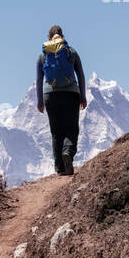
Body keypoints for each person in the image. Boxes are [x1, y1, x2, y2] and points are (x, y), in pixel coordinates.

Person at [35, 25, 88, 176]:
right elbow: (81, 75)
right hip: (71, 93)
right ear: (62, 36)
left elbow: (39, 80)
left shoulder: (42, 55)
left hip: (50, 95)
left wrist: (40, 102)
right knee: (71, 128)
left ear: (49, 38)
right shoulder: (71, 52)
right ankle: (68, 153)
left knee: (56, 132)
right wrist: (83, 97)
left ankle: (59, 168)